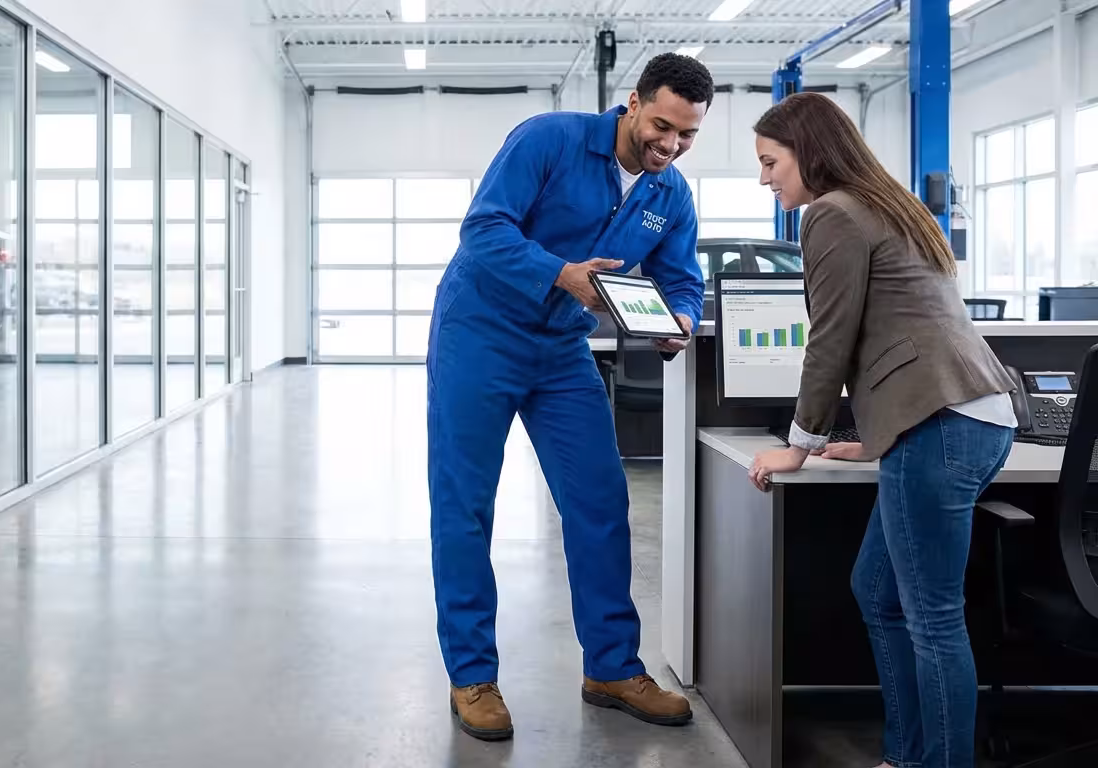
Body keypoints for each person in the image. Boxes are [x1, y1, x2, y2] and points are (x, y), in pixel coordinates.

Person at [427, 52, 714, 742]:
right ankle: (472, 675)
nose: (670, 146)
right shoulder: (548, 139)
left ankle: (612, 667)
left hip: (561, 350)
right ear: (635, 101)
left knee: (599, 499)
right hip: (479, 333)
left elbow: (681, 277)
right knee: (465, 504)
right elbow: (485, 229)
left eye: (687, 136)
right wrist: (561, 274)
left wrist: (678, 317)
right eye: (663, 127)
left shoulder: (668, 193)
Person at [747, 92, 1018, 768]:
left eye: (771, 162)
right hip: (968, 416)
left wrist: (800, 444)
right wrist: (874, 435)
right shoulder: (887, 205)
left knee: (933, 619)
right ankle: (908, 754)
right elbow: (910, 330)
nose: (766, 179)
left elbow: (830, 340)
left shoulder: (831, 214)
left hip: (943, 427)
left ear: (808, 153)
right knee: (877, 590)